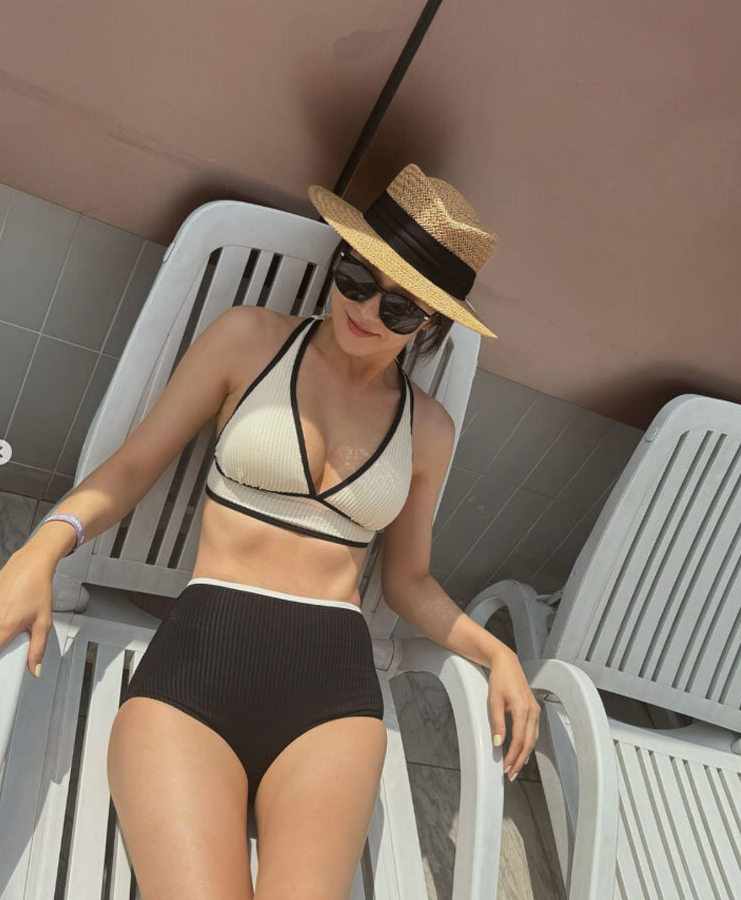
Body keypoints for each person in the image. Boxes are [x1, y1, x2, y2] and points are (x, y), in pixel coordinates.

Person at [0, 162, 541, 899]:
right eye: (355, 277)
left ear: (431, 326)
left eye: (399, 308)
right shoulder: (248, 340)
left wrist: (496, 652)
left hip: (331, 698)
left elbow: (407, 581)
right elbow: (133, 466)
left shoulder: (429, 430)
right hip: (199, 667)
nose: (365, 309)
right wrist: (42, 547)